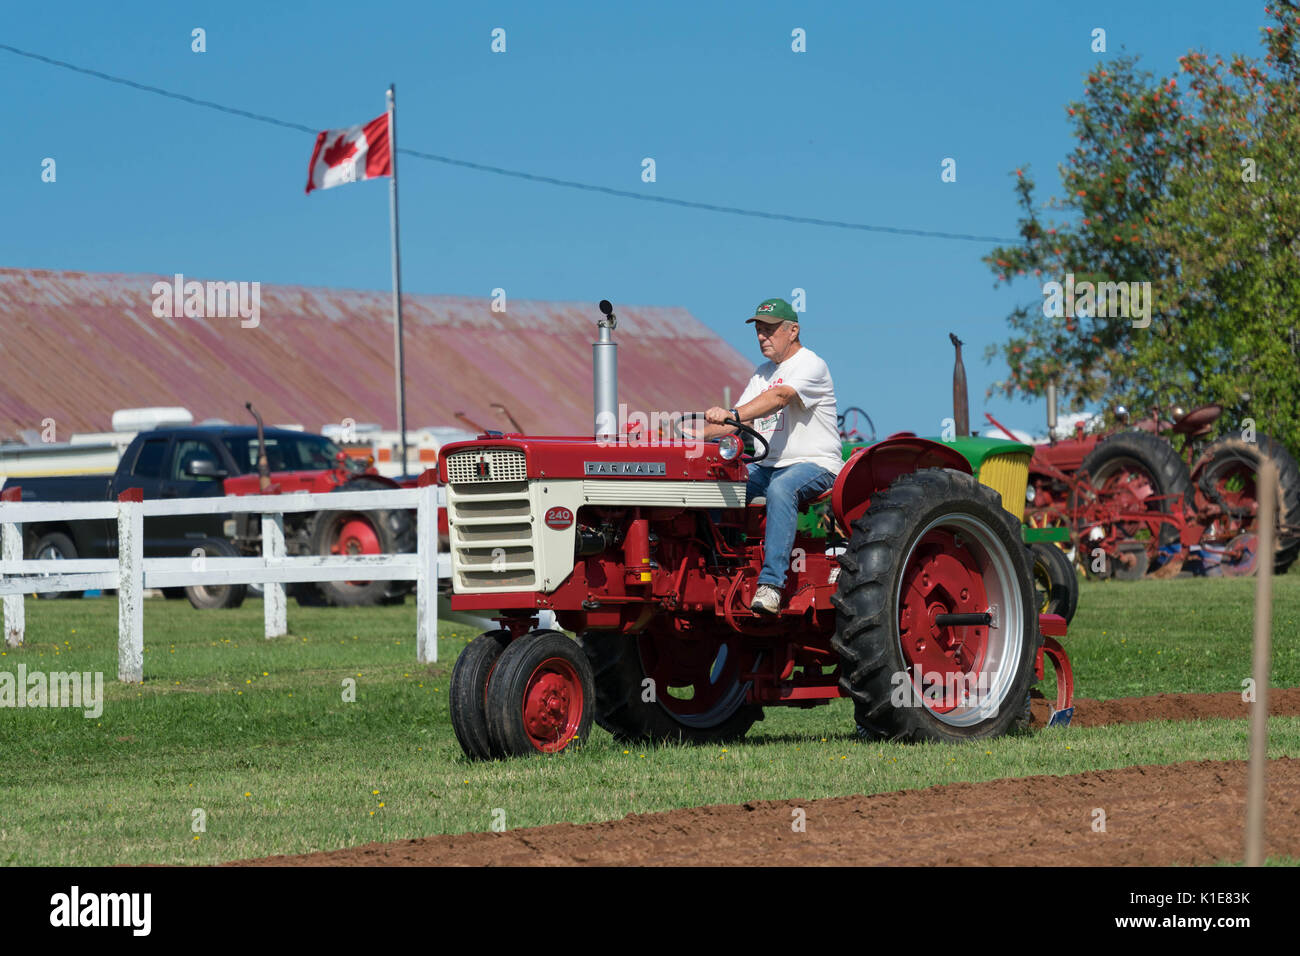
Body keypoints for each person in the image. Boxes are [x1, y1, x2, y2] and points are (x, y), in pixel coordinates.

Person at [698, 297, 842, 614]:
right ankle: (717, 565)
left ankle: (771, 584)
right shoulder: (762, 372)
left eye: (770, 330)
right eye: (760, 330)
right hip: (768, 467)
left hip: (816, 464)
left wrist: (731, 413)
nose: (763, 336)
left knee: (782, 488)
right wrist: (685, 436)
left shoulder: (810, 365)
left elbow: (779, 397)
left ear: (793, 330)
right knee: (712, 485)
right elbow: (738, 424)